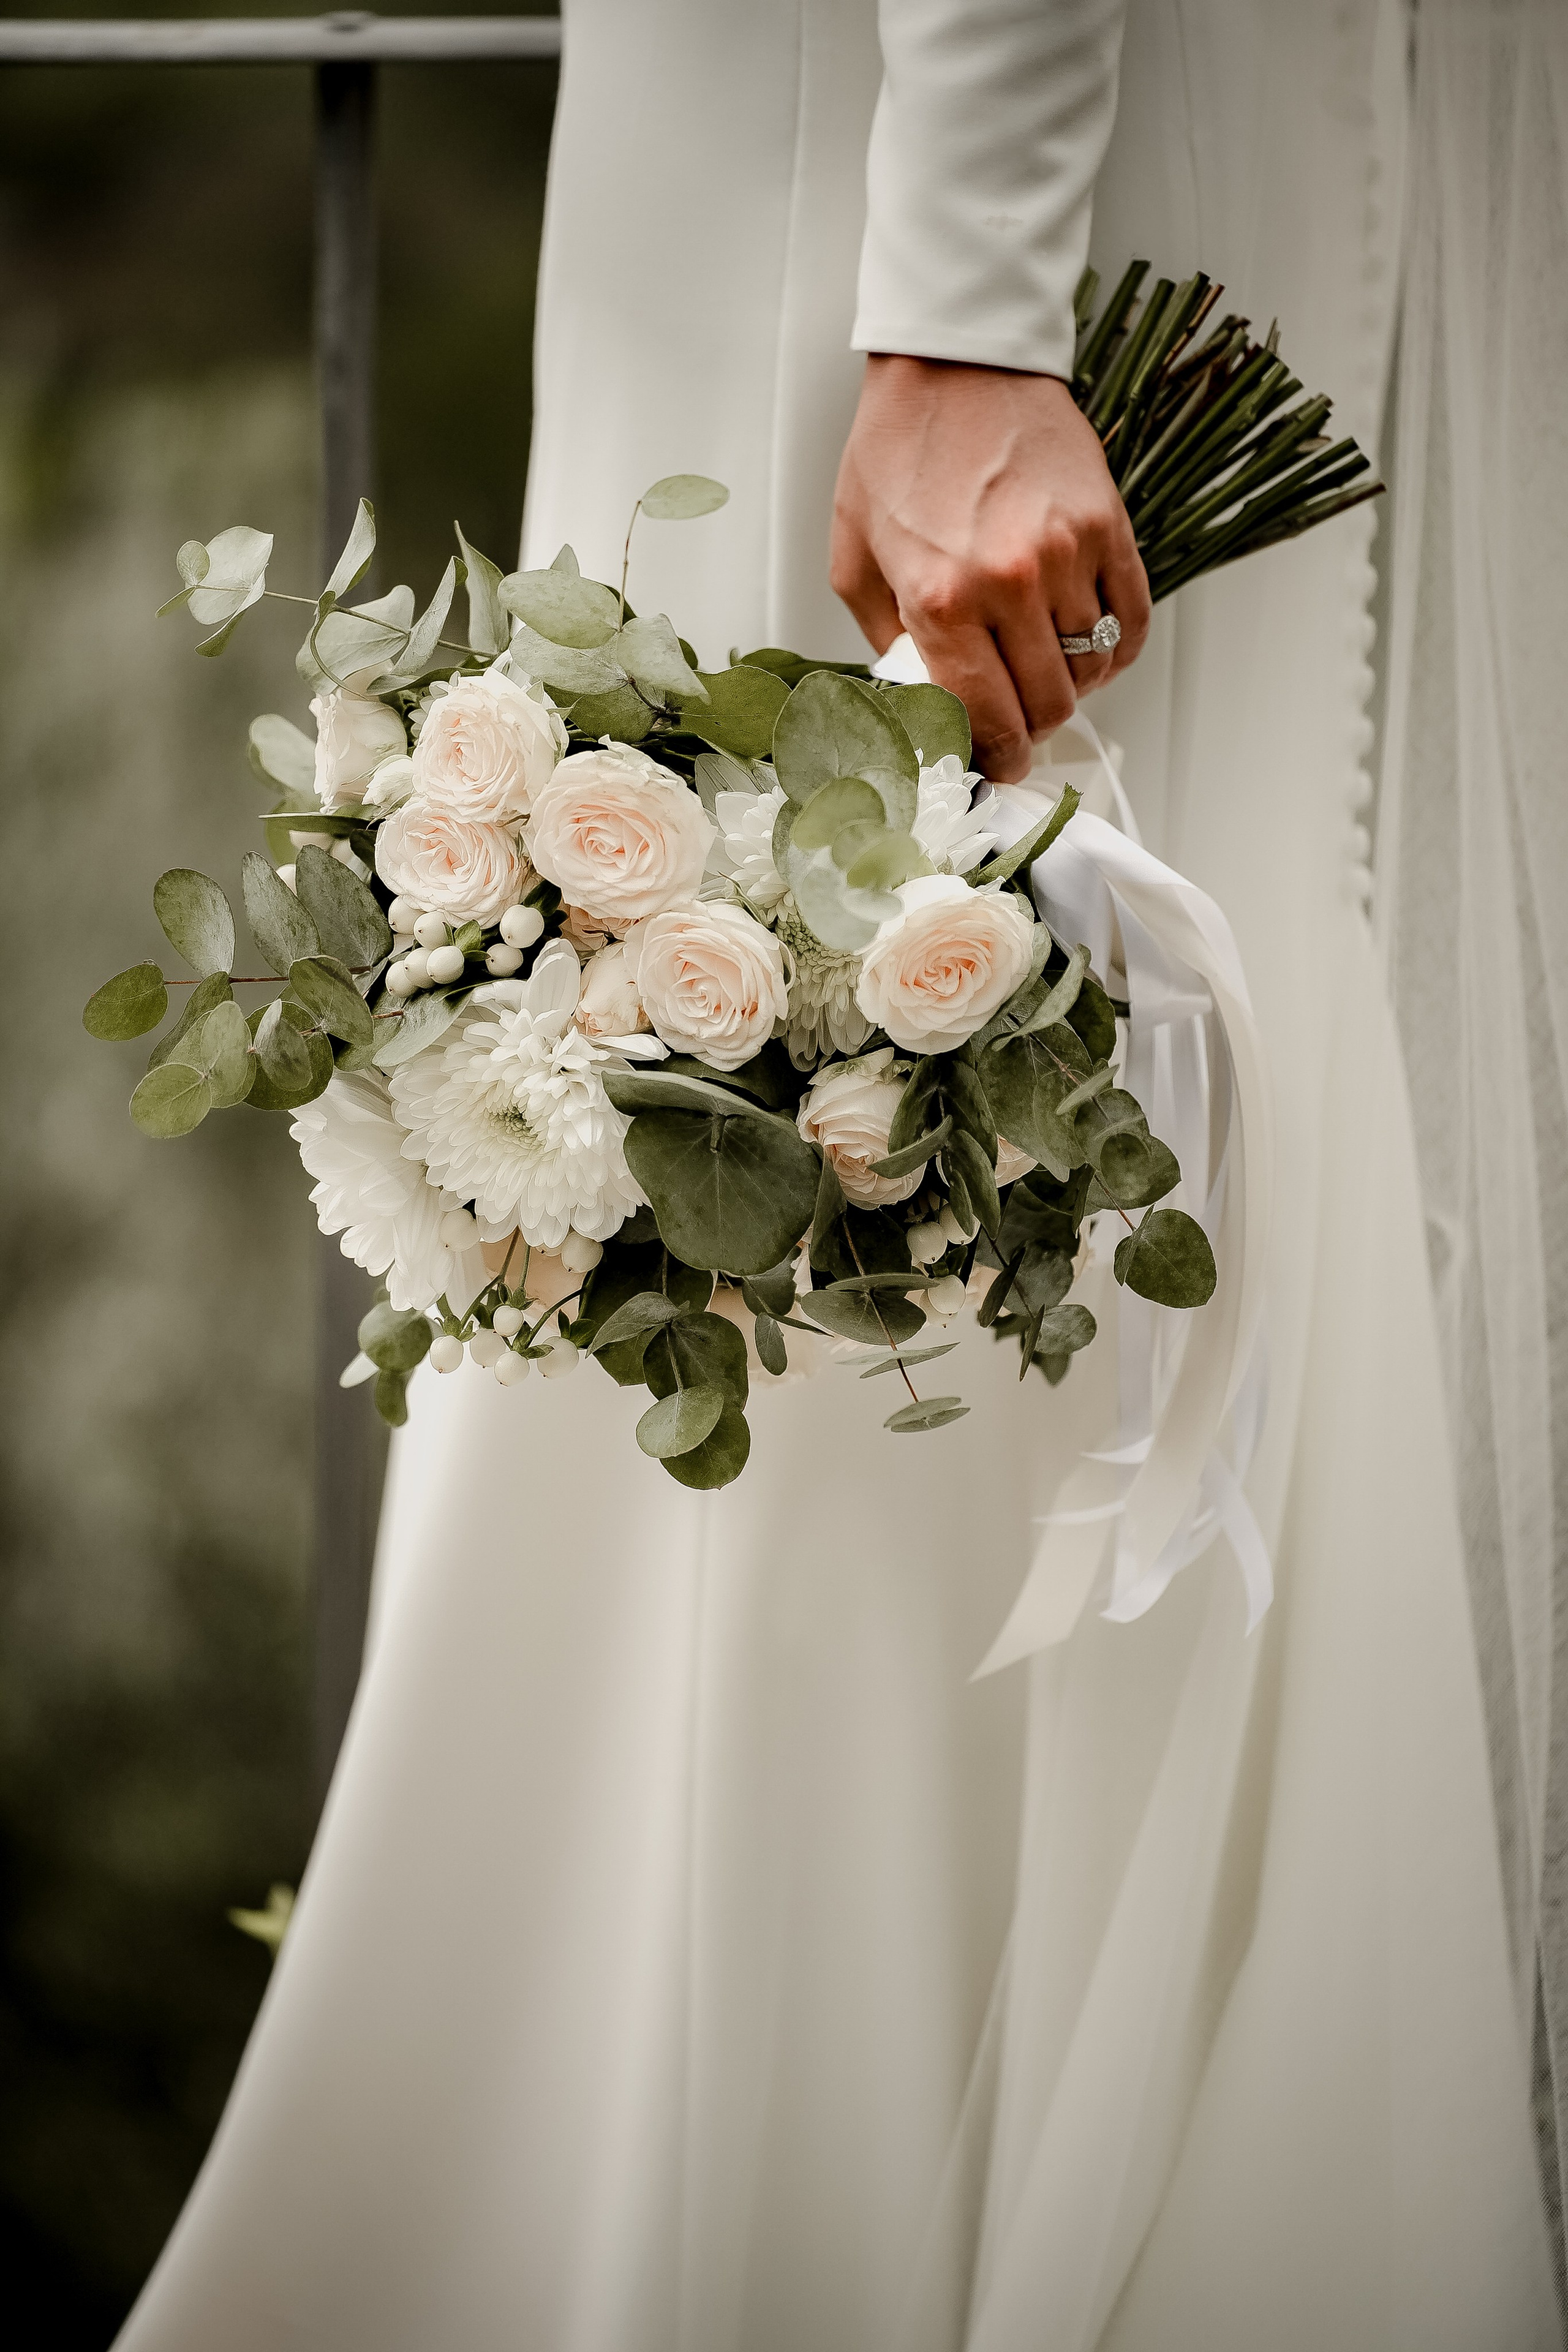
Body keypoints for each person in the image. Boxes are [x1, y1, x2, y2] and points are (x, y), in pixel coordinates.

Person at [116, 2, 1558, 2346]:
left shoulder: (962, 304)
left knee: (922, 1085)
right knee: (744, 1149)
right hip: (838, 158)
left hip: (940, 200)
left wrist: (971, 303)